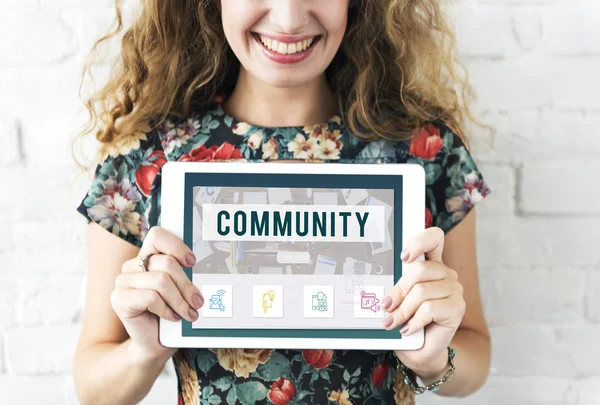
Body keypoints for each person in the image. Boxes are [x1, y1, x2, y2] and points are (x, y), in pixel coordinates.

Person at [72, 0, 492, 404]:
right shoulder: (147, 156)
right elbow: (93, 389)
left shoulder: (428, 151)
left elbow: (475, 355)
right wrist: (144, 350)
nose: (289, 19)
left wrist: (434, 358)